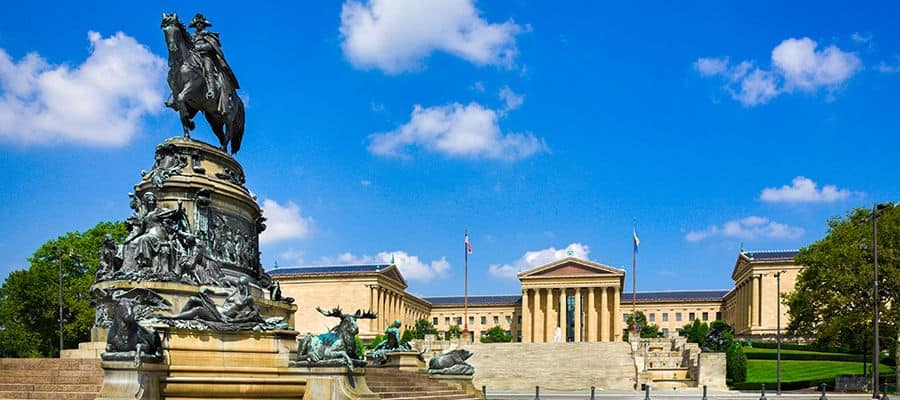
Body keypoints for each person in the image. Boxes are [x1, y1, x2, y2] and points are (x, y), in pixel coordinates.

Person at [189, 13, 239, 107]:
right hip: (194, 57)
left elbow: (210, 46)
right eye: (197, 23)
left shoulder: (210, 35)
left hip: (206, 57)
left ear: (204, 24)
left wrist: (197, 47)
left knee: (208, 70)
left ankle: (211, 90)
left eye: (201, 23)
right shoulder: (191, 37)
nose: (199, 25)